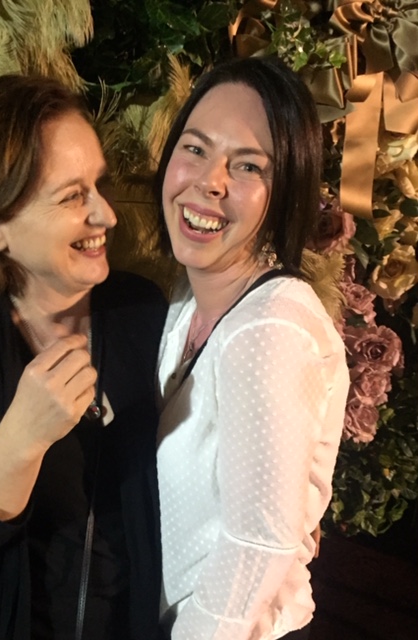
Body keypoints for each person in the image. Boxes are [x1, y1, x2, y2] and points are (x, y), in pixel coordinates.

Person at [0, 74, 167, 640]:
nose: (106, 215)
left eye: (98, 185)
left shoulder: (141, 311)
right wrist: (24, 437)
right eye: (72, 196)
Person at [154, 56, 350, 640]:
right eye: (195, 148)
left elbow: (258, 542)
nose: (209, 181)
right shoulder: (188, 302)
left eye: (247, 166)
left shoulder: (270, 328)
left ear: (284, 191)